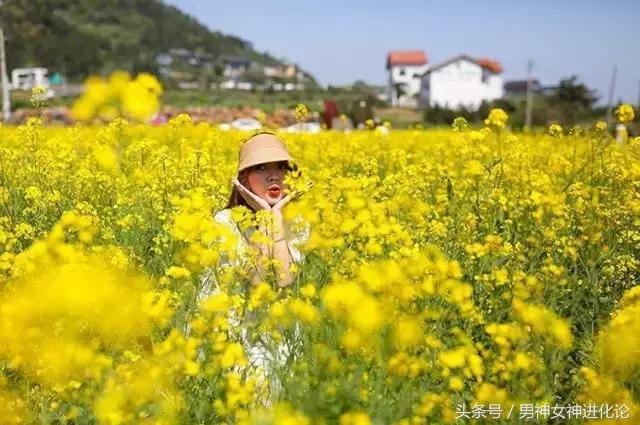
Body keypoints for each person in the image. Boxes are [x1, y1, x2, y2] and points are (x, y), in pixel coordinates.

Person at [196, 131, 312, 405]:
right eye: (261, 168)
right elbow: (259, 281)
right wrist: (265, 219)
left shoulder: (297, 223)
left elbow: (284, 280)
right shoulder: (224, 222)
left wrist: (275, 218)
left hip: (280, 335)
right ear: (242, 180)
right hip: (231, 336)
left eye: (281, 168)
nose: (275, 176)